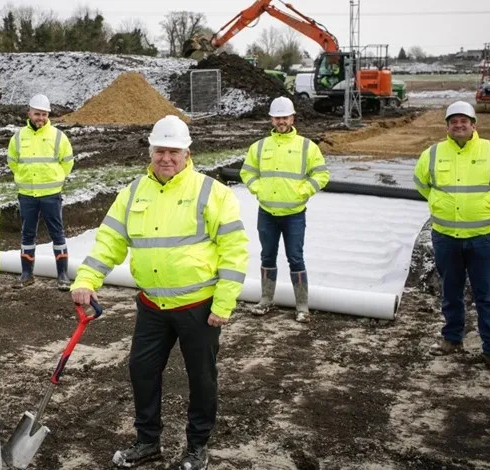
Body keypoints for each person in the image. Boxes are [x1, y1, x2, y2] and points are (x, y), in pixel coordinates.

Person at [71, 115, 248, 470]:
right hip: (152, 305)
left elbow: (235, 249)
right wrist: (87, 279)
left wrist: (224, 303)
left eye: (173, 151)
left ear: (187, 153)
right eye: (160, 151)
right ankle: (147, 441)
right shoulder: (134, 192)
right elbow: (109, 241)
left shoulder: (211, 192)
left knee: (201, 378)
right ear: (150, 152)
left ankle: (197, 447)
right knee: (142, 370)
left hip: (199, 307)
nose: (166, 158)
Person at [414, 101, 490, 376]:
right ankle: (452, 338)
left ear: (474, 124)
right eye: (453, 121)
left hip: (483, 238)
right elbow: (422, 184)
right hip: (446, 237)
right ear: (447, 126)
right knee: (451, 291)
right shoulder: (433, 154)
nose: (458, 125)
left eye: (464, 121)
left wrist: (482, 207)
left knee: (487, 296)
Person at [240, 96, 330, 322]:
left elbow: (322, 174)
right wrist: (258, 189)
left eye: (285, 117)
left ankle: (302, 306)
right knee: (267, 256)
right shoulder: (259, 147)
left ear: (292, 118)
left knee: (295, 258)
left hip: (294, 214)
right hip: (267, 213)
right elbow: (247, 173)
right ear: (271, 119)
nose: (281, 121)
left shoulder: (307, 147)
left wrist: (303, 191)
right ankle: (266, 300)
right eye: (277, 117)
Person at [7, 93, 74, 290]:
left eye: (44, 114)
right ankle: (27, 275)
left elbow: (68, 161)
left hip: (51, 194)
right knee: (27, 234)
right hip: (27, 194)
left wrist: (57, 178)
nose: (41, 118)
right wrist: (23, 176)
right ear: (29, 113)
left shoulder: (58, 136)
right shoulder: (18, 137)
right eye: (37, 114)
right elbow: (12, 161)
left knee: (57, 234)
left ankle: (62, 274)